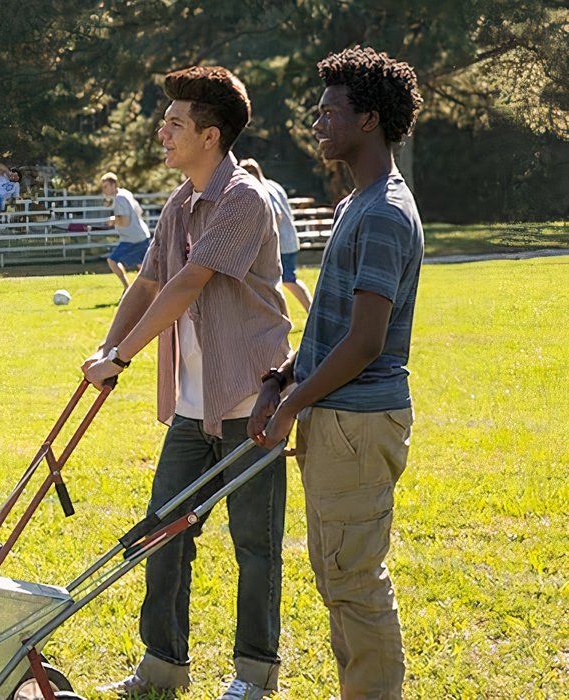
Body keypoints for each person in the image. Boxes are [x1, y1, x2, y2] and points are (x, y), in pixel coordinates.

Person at [80, 66, 289, 700]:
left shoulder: (243, 200)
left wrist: (122, 356)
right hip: (193, 409)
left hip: (249, 401)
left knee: (255, 545)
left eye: (174, 123)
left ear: (210, 135)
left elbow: (188, 283)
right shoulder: (176, 203)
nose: (161, 131)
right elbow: (146, 284)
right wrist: (106, 348)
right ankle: (162, 669)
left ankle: (254, 675)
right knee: (161, 537)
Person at [250, 46, 424, 700]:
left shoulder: (381, 211)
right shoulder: (358, 201)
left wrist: (293, 404)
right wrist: (283, 376)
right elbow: (331, 323)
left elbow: (367, 340)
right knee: (335, 574)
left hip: (357, 419)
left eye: (330, 112)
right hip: (334, 414)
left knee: (353, 579)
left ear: (370, 119)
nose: (317, 123)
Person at [239, 158, 312, 311]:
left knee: (287, 280)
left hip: (281, 243)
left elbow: (276, 215)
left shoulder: (260, 188)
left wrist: (266, 241)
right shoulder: (272, 185)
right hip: (289, 240)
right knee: (282, 281)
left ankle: (310, 311)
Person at [100, 172, 152, 290]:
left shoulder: (120, 198)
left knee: (112, 260)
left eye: (106, 186)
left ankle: (127, 288)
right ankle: (151, 292)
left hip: (132, 239)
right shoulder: (126, 193)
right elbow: (140, 211)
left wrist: (113, 220)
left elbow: (125, 222)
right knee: (144, 268)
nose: (104, 190)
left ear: (114, 185)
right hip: (142, 235)